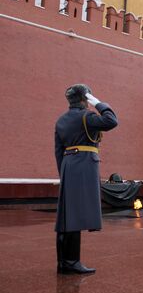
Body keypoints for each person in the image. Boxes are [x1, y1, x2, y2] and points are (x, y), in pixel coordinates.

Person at [55, 84, 118, 274]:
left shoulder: (61, 120)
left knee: (66, 214)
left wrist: (64, 173)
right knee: (74, 215)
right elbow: (111, 121)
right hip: (85, 164)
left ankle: (63, 262)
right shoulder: (87, 117)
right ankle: (72, 262)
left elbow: (58, 151)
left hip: (68, 165)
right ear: (85, 99)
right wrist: (98, 103)